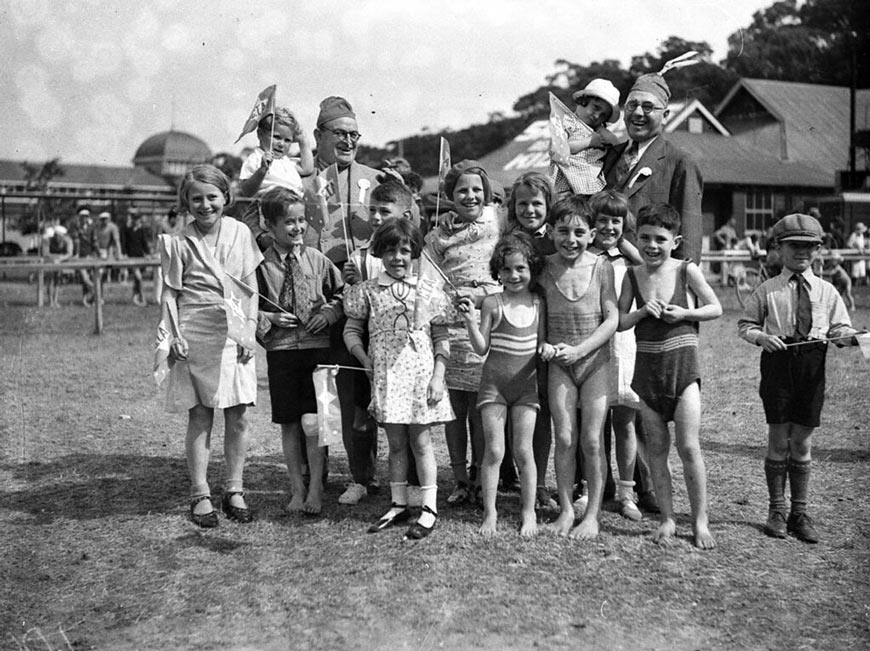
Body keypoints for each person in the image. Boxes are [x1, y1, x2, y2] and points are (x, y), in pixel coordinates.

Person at [738, 213, 865, 544]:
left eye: (810, 247)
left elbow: (839, 331)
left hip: (812, 367)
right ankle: (776, 510)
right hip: (778, 366)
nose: (802, 253)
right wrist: (761, 338)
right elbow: (745, 325)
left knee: (803, 441)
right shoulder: (768, 289)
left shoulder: (827, 291)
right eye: (794, 246)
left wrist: (855, 338)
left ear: (819, 249)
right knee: (779, 439)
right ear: (779, 248)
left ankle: (800, 512)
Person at [158, 164, 263, 528]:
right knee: (200, 414)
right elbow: (170, 293)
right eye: (196, 198)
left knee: (239, 414)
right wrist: (174, 335)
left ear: (226, 198)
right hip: (195, 332)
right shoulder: (178, 242)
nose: (205, 205)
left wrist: (249, 330)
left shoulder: (241, 232)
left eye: (212, 197)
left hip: (236, 332)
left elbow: (251, 288)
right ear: (185, 201)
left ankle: (234, 488)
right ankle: (200, 491)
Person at [618, 203, 721, 549]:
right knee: (657, 451)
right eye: (644, 238)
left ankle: (701, 521)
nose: (651, 245)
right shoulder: (634, 275)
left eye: (660, 239)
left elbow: (715, 307)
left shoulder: (684, 270)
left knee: (689, 446)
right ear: (636, 237)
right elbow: (618, 320)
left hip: (682, 371)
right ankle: (666, 518)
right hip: (648, 375)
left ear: (674, 240)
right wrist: (641, 312)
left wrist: (685, 313)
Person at [344, 218, 454, 540]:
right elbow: (351, 330)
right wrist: (366, 362)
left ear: (414, 253)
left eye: (405, 251)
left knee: (421, 443)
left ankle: (429, 507)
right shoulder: (368, 291)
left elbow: (441, 335)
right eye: (390, 250)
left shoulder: (426, 289)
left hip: (421, 378)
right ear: (380, 253)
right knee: (395, 445)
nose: (398, 257)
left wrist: (438, 375)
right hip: (387, 379)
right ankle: (398, 502)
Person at [255, 186, 343, 515]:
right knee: (290, 422)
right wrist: (269, 317)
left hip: (317, 350)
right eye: (289, 222)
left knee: (316, 421)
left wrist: (327, 314)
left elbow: (342, 295)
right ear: (270, 226)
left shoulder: (318, 259)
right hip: (282, 351)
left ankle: (317, 486)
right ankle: (297, 487)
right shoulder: (261, 266)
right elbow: (248, 306)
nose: (298, 228)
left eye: (302, 220)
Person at [538, 195, 618, 539]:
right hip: (560, 364)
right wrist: (543, 343)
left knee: (592, 439)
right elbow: (538, 310)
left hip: (595, 363)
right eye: (562, 231)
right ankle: (568, 510)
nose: (570, 239)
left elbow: (612, 317)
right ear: (552, 231)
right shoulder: (543, 266)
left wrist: (581, 350)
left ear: (591, 235)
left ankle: (593, 515)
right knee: (565, 436)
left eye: (579, 232)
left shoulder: (602, 266)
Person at [424, 160, 503, 506]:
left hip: (486, 323)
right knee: (454, 408)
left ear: (486, 194)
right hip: (450, 323)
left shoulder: (498, 221)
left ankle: (481, 474)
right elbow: (427, 278)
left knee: (482, 407)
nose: (470, 196)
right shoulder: (438, 234)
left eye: (476, 190)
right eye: (462, 190)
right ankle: (458, 478)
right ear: (450, 196)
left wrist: (482, 295)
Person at [458, 232, 545, 537]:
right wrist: (470, 321)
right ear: (498, 271)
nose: (514, 275)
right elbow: (481, 348)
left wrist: (548, 349)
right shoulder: (493, 303)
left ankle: (529, 512)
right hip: (493, 387)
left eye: (521, 268)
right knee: (493, 452)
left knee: (524, 452)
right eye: (506, 269)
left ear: (532, 269)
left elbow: (543, 343)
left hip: (526, 388)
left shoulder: (538, 303)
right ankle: (490, 513)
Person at [337, 179, 417, 506]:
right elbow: (353, 306)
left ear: (406, 215)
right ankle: (362, 478)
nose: (375, 217)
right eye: (372, 209)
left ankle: (412, 482)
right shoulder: (357, 257)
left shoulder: (414, 256)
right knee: (360, 418)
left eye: (384, 210)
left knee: (406, 419)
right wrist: (353, 285)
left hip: (403, 352)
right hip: (367, 350)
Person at [603, 74, 703, 264]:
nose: (638, 113)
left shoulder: (680, 162)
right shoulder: (608, 156)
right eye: (632, 105)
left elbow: (689, 236)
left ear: (665, 116)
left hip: (647, 278)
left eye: (648, 107)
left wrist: (685, 286)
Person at [587, 189, 643, 521]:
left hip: (625, 345)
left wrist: (626, 246)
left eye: (616, 220)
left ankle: (627, 491)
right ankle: (589, 488)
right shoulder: (585, 256)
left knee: (625, 422)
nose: (609, 226)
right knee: (592, 424)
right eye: (602, 219)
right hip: (594, 346)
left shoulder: (631, 260)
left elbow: (653, 266)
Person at [505, 171, 557, 510]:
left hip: (549, 334)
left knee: (542, 412)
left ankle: (537, 483)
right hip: (512, 333)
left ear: (548, 206)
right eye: (522, 203)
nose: (529, 209)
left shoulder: (558, 239)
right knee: (511, 410)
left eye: (537, 203)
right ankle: (510, 475)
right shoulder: (506, 240)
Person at [239, 107, 314, 250]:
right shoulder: (255, 159)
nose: (281, 144)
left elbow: (307, 168)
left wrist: (304, 142)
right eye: (277, 137)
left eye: (288, 140)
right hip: (273, 212)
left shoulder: (286, 161)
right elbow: (246, 190)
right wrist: (262, 170)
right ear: (260, 134)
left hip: (294, 213)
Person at [548, 78, 621, 198]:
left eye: (603, 115)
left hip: (589, 183)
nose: (597, 116)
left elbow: (617, 145)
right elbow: (558, 149)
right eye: (596, 107)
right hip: (565, 183)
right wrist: (589, 141)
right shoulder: (567, 122)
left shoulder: (598, 131)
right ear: (583, 101)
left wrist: (604, 134)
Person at [123, 209, 151, 306]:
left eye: (138, 220)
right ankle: (143, 299)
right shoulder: (128, 230)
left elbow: (144, 243)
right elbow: (125, 243)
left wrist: (147, 254)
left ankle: (135, 297)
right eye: (136, 220)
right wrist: (124, 254)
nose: (138, 222)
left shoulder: (141, 231)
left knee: (137, 279)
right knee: (139, 278)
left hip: (140, 257)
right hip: (131, 258)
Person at [71, 205, 97, 305]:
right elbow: (76, 241)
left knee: (89, 277)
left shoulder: (92, 227)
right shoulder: (75, 227)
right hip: (80, 256)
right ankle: (95, 292)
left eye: (86, 216)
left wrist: (95, 253)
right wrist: (76, 254)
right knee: (85, 279)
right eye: (82, 216)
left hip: (89, 256)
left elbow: (94, 241)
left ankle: (87, 299)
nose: (84, 218)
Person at [44, 224, 74, 307]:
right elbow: (45, 253)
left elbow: (69, 253)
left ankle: (55, 300)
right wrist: (55, 258)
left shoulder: (68, 240)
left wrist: (60, 259)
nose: (57, 237)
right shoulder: (48, 239)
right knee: (50, 280)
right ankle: (50, 302)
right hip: (50, 262)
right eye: (55, 235)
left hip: (60, 262)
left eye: (58, 235)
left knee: (57, 280)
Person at [846, 222, 868, 287]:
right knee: (855, 271)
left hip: (861, 255)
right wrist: (855, 248)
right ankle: (853, 285)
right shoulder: (853, 235)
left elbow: (862, 244)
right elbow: (849, 244)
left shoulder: (862, 235)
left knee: (861, 271)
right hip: (855, 255)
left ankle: (860, 285)